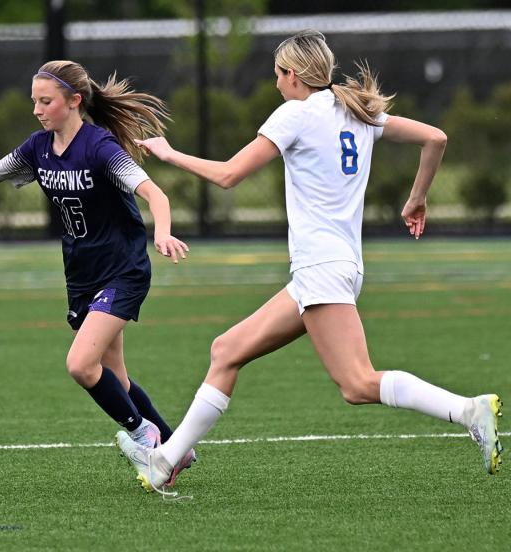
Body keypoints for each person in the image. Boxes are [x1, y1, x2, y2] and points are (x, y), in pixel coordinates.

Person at [117, 30, 503, 495]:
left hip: (322, 269)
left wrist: (169, 153)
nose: (275, 83)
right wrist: (416, 199)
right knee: (226, 351)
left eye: (278, 75)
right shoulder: (359, 111)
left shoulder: (295, 115)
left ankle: (468, 410)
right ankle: (163, 462)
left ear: (293, 74)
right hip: (330, 269)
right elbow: (436, 138)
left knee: (357, 383)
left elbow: (227, 175)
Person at [0, 60, 195, 484]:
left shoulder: (100, 147)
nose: (37, 110)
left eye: (46, 101)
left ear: (74, 101)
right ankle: (175, 450)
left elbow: (154, 193)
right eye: (35, 101)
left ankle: (143, 435)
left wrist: (164, 233)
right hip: (82, 277)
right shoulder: (38, 148)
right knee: (115, 378)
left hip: (123, 271)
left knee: (81, 364)